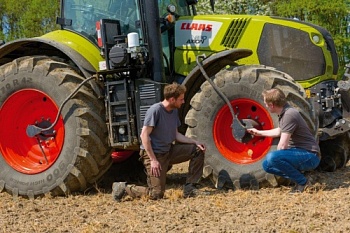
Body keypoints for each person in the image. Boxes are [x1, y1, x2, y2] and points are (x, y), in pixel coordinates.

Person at [112, 83, 206, 201]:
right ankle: (123, 188)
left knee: (198, 150)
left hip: (168, 151)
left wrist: (195, 142)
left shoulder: (174, 111)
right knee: (156, 194)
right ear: (172, 99)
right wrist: (153, 160)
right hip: (154, 155)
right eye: (181, 99)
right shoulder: (155, 111)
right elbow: (144, 135)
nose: (183, 102)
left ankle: (190, 188)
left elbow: (176, 135)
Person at [247, 88, 320, 193]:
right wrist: (258, 132)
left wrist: (277, 157)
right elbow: (279, 131)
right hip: (302, 153)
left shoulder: (289, 115)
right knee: (266, 165)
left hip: (310, 155)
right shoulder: (285, 112)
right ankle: (302, 176)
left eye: (266, 104)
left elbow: (282, 146)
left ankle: (303, 182)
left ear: (272, 105)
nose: (265, 106)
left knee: (272, 158)